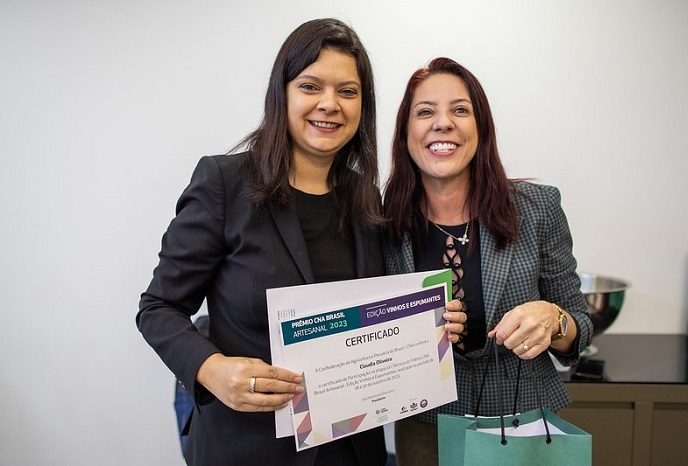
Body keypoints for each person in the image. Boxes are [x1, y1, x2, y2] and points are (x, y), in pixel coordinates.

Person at [137, 20, 465, 466]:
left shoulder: (366, 197)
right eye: (311, 86)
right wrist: (210, 369)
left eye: (347, 92)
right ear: (283, 94)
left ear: (362, 106)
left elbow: (378, 313)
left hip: (351, 450)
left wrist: (431, 323)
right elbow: (158, 308)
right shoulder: (225, 183)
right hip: (248, 447)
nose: (329, 104)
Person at [383, 57, 593, 466]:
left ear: (481, 128)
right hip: (423, 428)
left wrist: (554, 318)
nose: (442, 123)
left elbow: (580, 330)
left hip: (522, 427)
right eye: (425, 112)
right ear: (405, 133)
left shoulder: (538, 208)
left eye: (460, 110)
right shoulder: (379, 223)